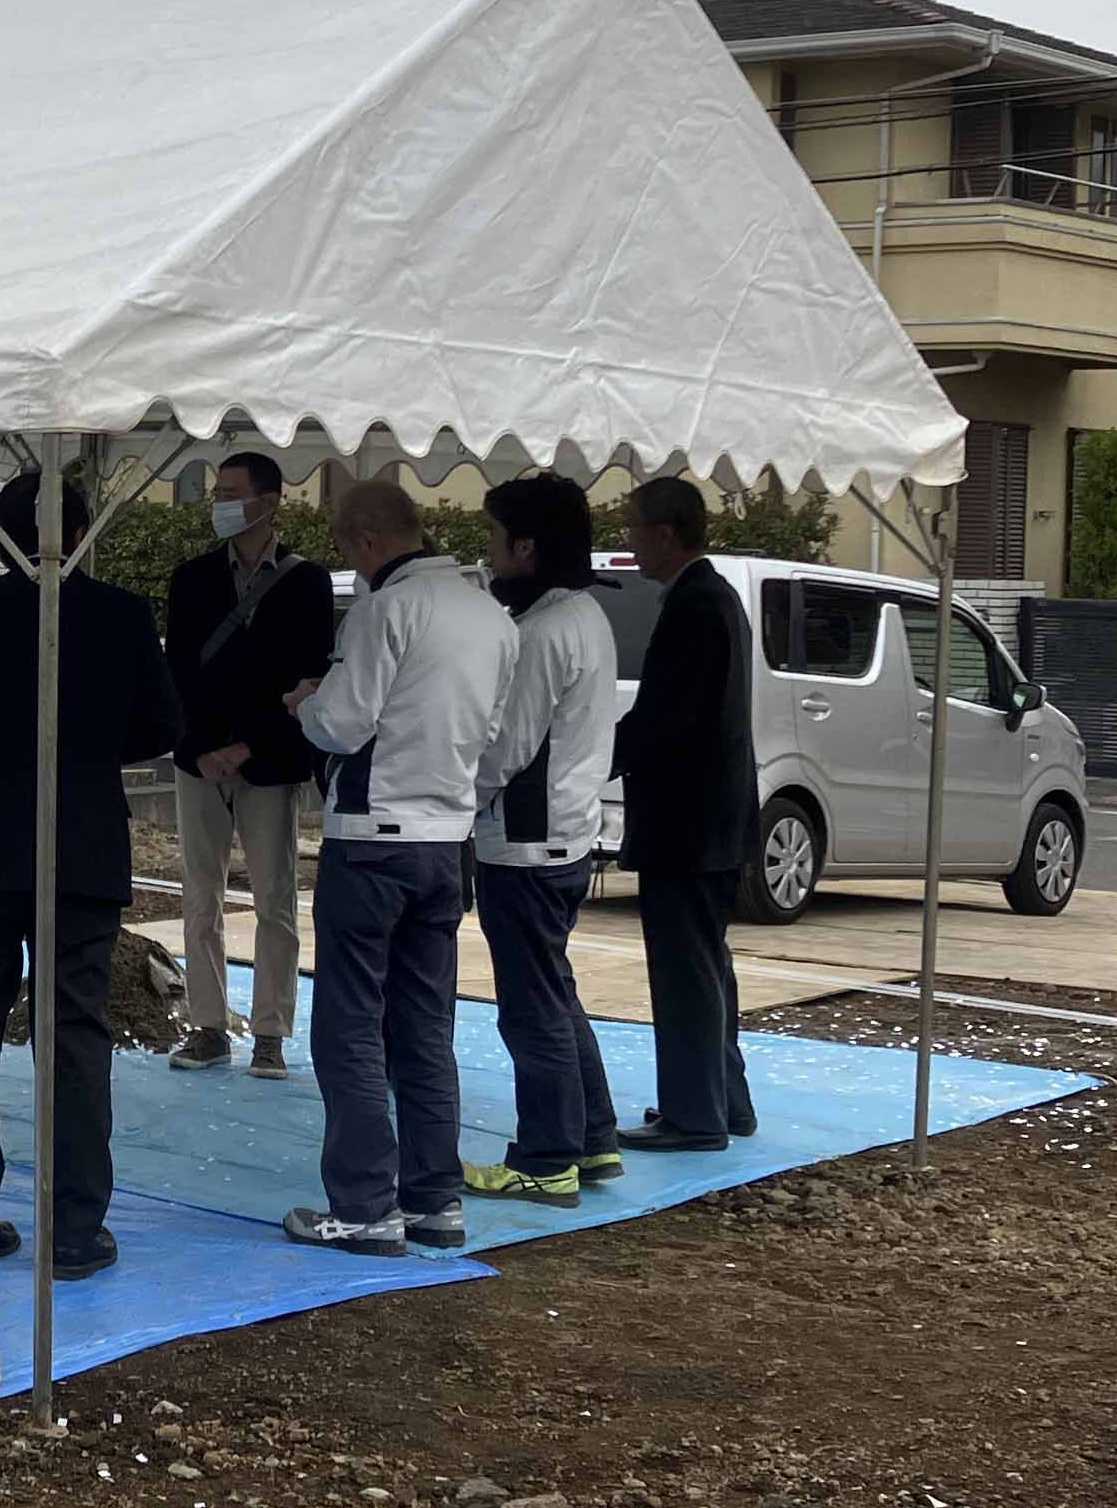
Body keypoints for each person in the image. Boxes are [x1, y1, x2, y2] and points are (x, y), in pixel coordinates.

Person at [0, 465, 183, 1279]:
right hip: (81, 848)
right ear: (78, 532)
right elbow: (161, 726)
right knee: (73, 1037)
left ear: (2, 536)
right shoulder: (121, 616)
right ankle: (73, 1229)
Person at [279, 480, 515, 1258]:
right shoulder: (491, 614)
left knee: (349, 1027)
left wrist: (307, 702)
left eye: (348, 550)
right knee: (424, 1025)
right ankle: (434, 1200)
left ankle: (364, 1205)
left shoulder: (386, 609)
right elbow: (499, 742)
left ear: (367, 541)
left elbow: (346, 723)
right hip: (447, 841)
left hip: (373, 836)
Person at [460, 475, 626, 1208]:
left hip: (526, 841)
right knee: (555, 993)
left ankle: (547, 1157)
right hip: (563, 835)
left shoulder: (543, 632)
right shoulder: (583, 615)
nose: (489, 554)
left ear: (527, 547)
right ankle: (591, 1139)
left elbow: (505, 748)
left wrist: (451, 795)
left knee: (531, 1006)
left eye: (496, 540)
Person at [162, 450, 338, 1079]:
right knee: (200, 898)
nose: (219, 504)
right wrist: (203, 747)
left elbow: (307, 677)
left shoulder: (307, 582)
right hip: (198, 762)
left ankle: (270, 1032)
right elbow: (179, 671)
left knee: (275, 900)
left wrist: (249, 746)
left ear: (269, 502)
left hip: (270, 763)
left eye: (231, 493)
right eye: (217, 492)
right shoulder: (191, 578)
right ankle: (208, 1025)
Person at [609, 474, 764, 1149]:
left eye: (633, 528)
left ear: (664, 534)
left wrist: (587, 761)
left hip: (687, 821)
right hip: (711, 817)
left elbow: (664, 719)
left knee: (685, 970)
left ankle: (695, 1115)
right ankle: (722, 1100)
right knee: (706, 963)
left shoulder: (695, 604)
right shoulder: (714, 597)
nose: (629, 542)